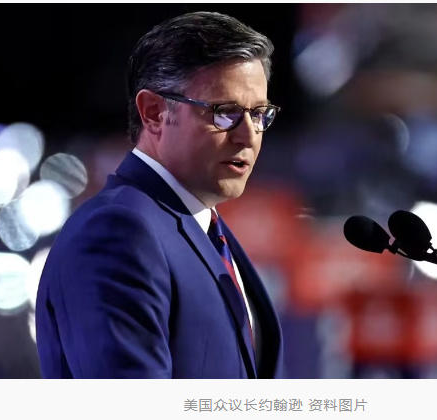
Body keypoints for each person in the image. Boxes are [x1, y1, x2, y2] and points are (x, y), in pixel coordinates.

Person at [35, 11, 283, 378]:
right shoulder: (117, 232)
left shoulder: (202, 228)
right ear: (154, 113)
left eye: (259, 114)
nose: (248, 135)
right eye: (225, 112)